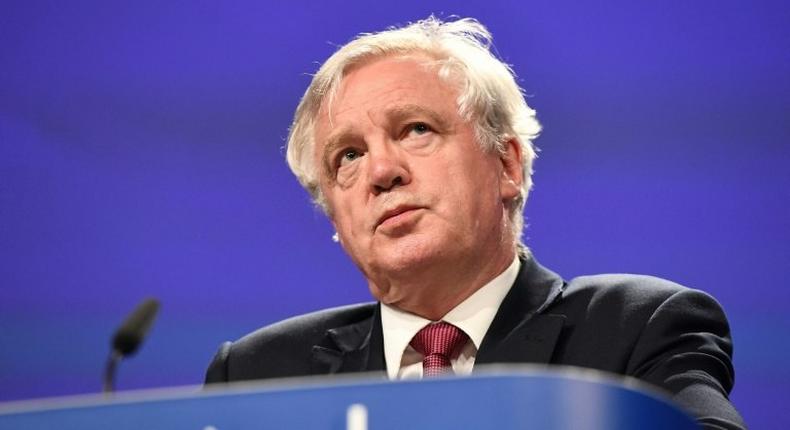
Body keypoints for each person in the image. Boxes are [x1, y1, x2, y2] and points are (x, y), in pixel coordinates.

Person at [205, 17, 744, 429]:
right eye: (346, 157)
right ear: (335, 217)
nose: (381, 172)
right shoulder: (258, 375)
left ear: (507, 164)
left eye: (416, 129)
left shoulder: (636, 328)